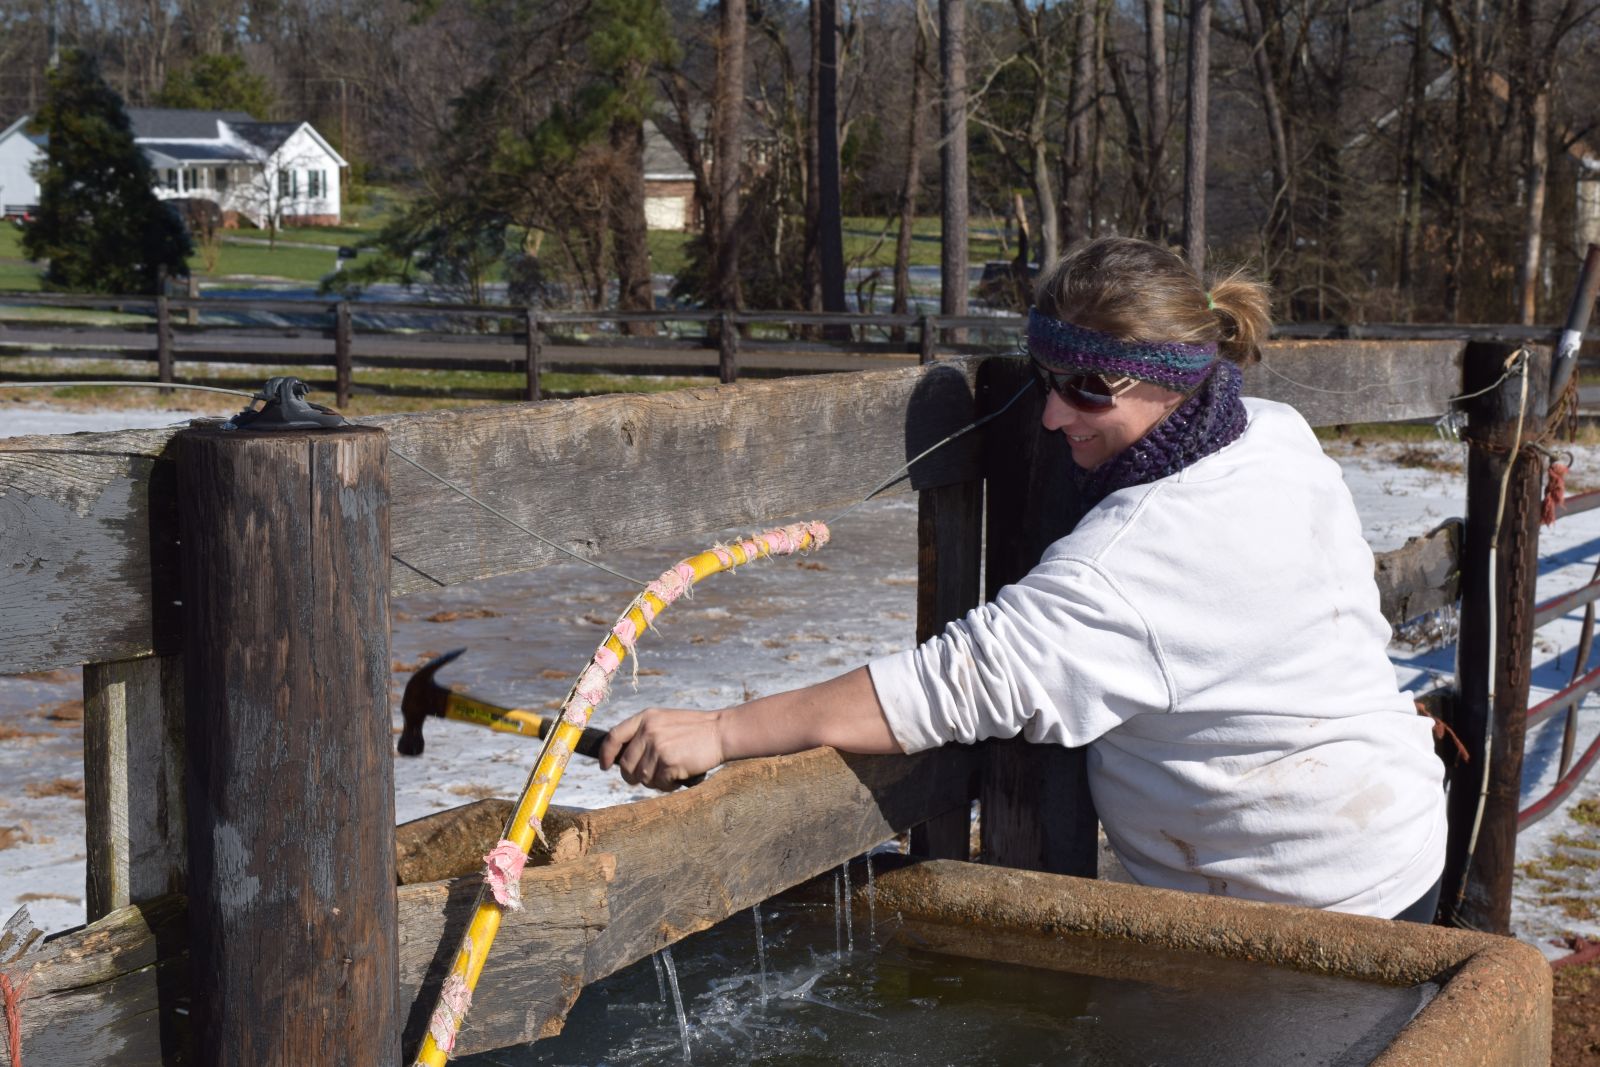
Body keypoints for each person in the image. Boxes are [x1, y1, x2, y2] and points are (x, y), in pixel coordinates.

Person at [599, 236, 1447, 923]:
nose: (1050, 413)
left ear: (1175, 377)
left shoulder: (1140, 554)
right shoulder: (1270, 431)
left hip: (1306, 903)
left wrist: (721, 729)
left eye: (1090, 388)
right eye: (1047, 378)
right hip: (1387, 834)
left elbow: (947, 684)